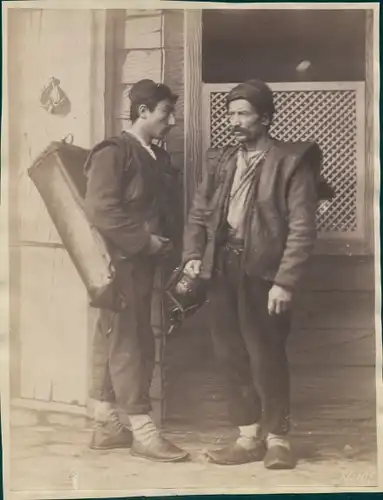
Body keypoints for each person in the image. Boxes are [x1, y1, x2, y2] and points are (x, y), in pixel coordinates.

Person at [182, 79, 323, 469]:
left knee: (267, 354)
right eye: (230, 114)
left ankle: (278, 439)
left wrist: (285, 280)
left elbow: (302, 228)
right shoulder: (222, 160)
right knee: (230, 354)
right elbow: (199, 213)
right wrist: (194, 254)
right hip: (221, 267)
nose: (234, 121)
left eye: (243, 114)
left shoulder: (291, 163)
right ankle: (247, 436)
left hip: (263, 273)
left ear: (266, 118)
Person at [83, 79, 188, 462]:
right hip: (120, 265)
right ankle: (142, 431)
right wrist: (144, 243)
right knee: (131, 343)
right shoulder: (115, 152)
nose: (172, 121)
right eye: (165, 113)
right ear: (142, 112)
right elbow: (100, 209)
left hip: (141, 266)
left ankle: (106, 424)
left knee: (115, 339)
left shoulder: (154, 157)